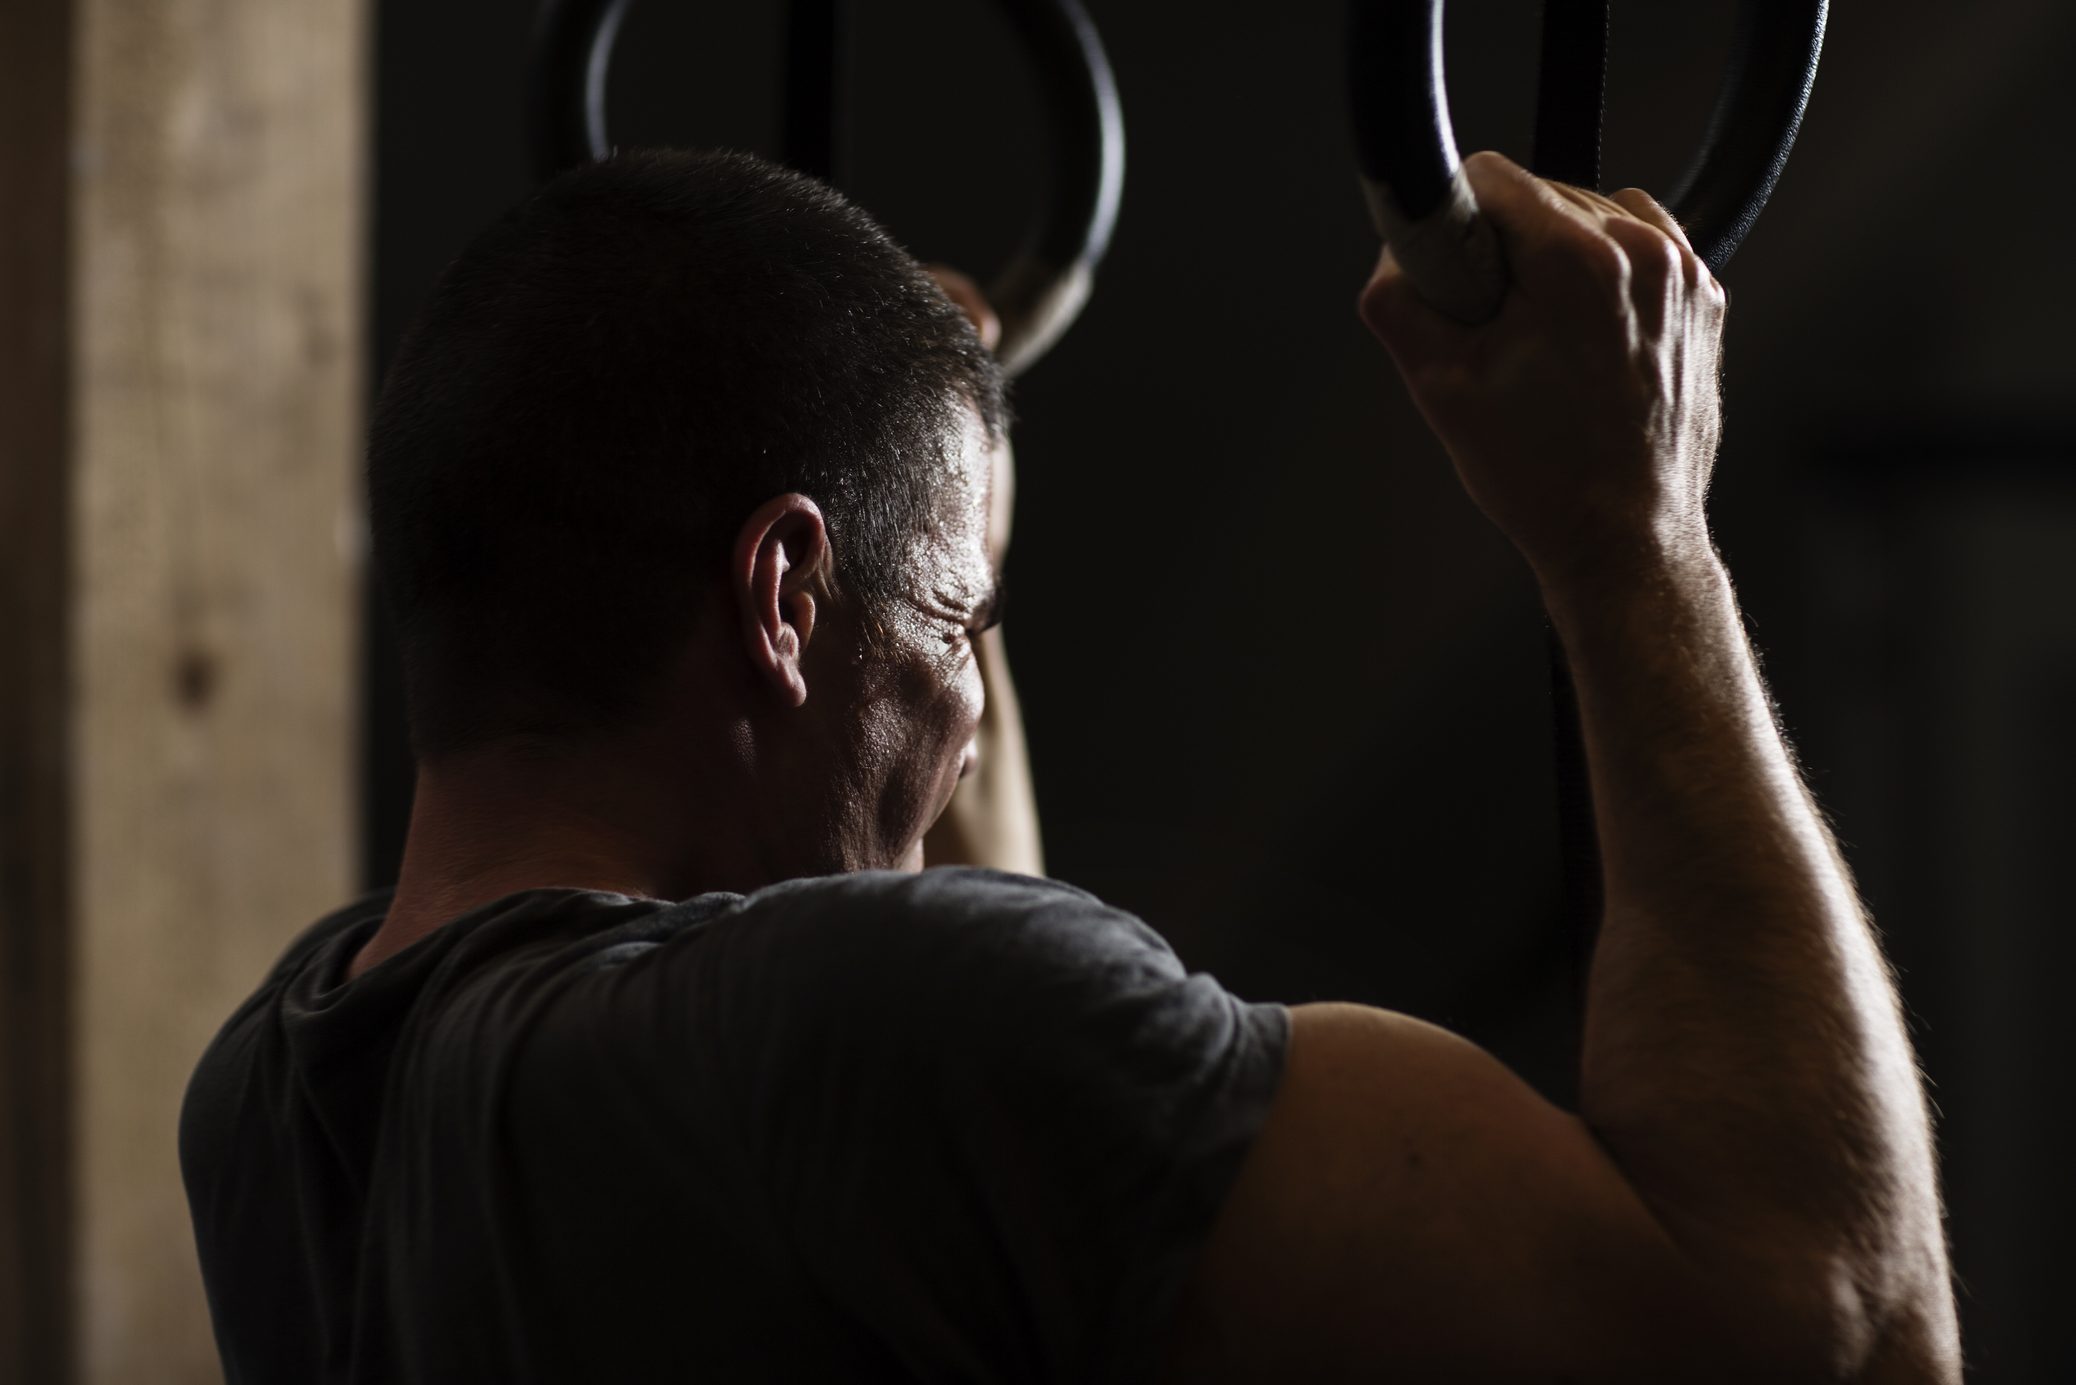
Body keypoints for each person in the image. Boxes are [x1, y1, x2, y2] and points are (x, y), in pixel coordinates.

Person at [179, 147, 1962, 1383]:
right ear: (786, 597)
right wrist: (1632, 532)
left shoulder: (280, 1091)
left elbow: (970, 1119)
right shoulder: (885, 1047)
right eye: (961, 632)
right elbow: (1833, 1328)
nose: (965, 712)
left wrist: (928, 492)